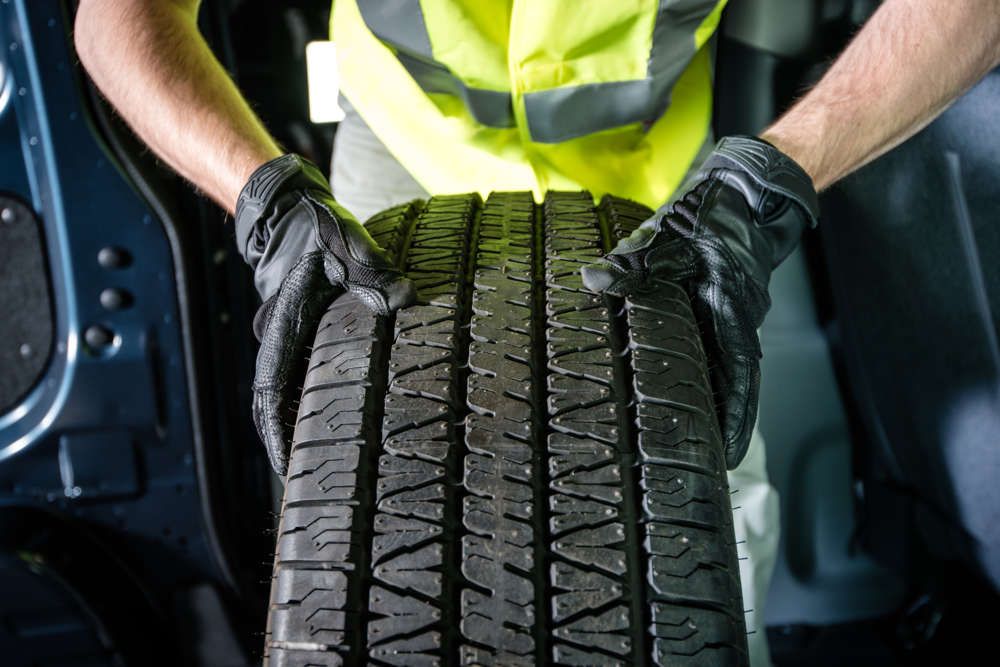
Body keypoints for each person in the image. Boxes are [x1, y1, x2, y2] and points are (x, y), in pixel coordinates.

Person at [74, 1, 1000, 664]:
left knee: (696, 480)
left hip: (646, 164)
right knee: (359, 484)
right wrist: (264, 200)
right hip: (401, 141)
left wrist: (768, 185)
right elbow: (116, 17)